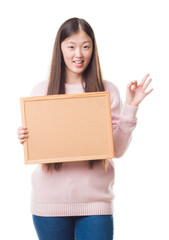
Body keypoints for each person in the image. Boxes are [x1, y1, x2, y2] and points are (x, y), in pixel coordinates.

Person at [17, 17, 153, 240]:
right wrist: (27, 137)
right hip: (49, 204)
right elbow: (42, 146)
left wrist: (131, 106)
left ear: (93, 48)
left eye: (85, 46)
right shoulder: (41, 91)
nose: (78, 54)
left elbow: (116, 151)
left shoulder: (107, 91)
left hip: (95, 205)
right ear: (60, 49)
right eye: (71, 46)